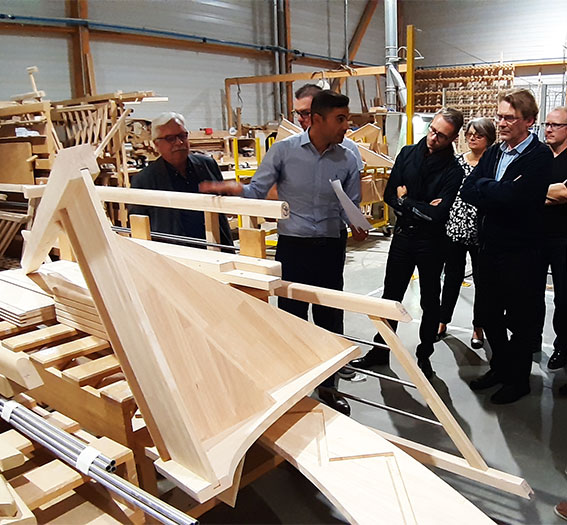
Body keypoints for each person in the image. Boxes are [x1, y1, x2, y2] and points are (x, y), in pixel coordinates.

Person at [200, 90, 368, 415]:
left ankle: (329, 387)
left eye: (346, 118)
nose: (346, 126)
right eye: (340, 119)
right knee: (291, 317)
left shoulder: (349, 157)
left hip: (332, 247)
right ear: (317, 119)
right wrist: (235, 190)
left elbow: (353, 205)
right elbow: (257, 192)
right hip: (294, 248)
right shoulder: (283, 152)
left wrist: (357, 226)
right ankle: (297, 388)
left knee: (330, 316)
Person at [351, 107, 464, 379]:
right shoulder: (407, 154)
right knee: (390, 297)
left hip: (431, 243)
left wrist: (407, 201)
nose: (433, 138)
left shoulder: (453, 170)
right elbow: (390, 195)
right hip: (403, 238)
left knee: (429, 301)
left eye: (441, 136)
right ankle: (381, 350)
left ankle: (424, 354)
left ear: (453, 138)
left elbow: (438, 213)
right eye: (432, 130)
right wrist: (416, 205)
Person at [461, 88, 554, 404]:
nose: (501, 123)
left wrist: (491, 190)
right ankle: (500, 367)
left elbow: (520, 199)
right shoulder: (494, 153)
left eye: (509, 118)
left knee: (521, 318)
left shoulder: (539, 156)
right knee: (487, 314)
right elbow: (468, 191)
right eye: (499, 116)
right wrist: (496, 189)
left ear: (529, 121)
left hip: (520, 252)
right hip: (488, 249)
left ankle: (519, 379)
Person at [128, 112, 233, 247]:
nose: (179, 142)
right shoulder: (144, 181)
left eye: (182, 136)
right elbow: (138, 228)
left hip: (216, 248)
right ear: (156, 144)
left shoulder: (207, 165)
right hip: (174, 255)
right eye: (170, 138)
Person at [438, 118, 496, 348]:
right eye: (470, 134)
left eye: (478, 135)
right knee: (452, 277)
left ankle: (478, 326)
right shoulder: (457, 162)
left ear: (489, 139)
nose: (472, 138)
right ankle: (442, 321)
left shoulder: (492, 164)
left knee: (483, 282)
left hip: (481, 231)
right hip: (455, 227)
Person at [535, 106, 567, 371]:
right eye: (547, 124)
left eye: (555, 125)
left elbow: (565, 194)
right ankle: (530, 340)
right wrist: (546, 193)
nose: (548, 128)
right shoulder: (540, 156)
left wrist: (532, 193)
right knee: (530, 293)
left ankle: (562, 348)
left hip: (563, 239)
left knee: (563, 298)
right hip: (535, 237)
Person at [293, 84, 364, 170]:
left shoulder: (349, 149)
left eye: (306, 113)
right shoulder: (289, 150)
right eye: (297, 113)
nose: (299, 119)